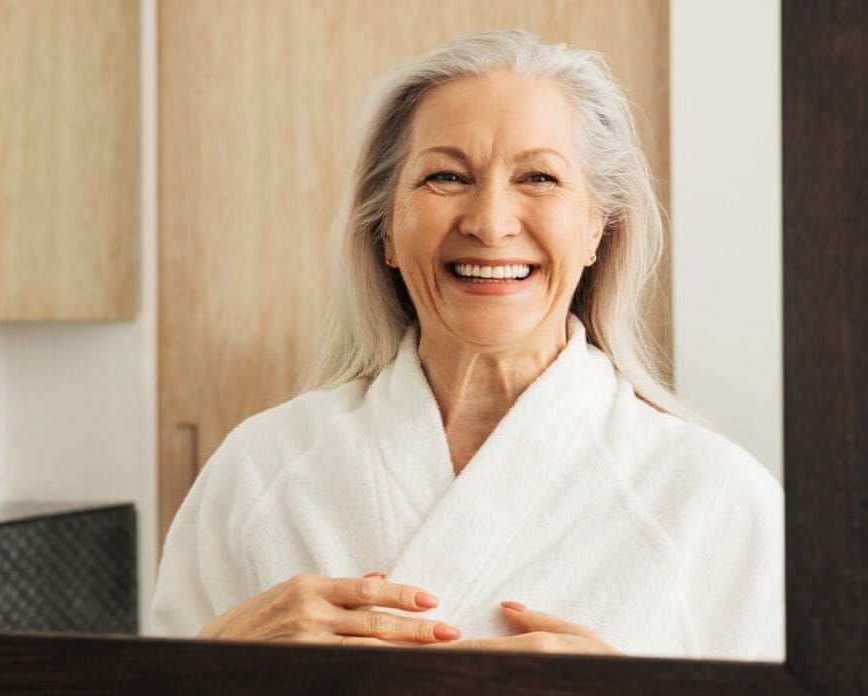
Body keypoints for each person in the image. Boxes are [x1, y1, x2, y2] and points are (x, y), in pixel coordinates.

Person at [150, 30, 784, 660]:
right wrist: (204, 664)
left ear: (598, 229)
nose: (490, 222)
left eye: (538, 177)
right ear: (385, 232)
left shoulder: (717, 500)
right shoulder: (261, 469)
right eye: (447, 177)